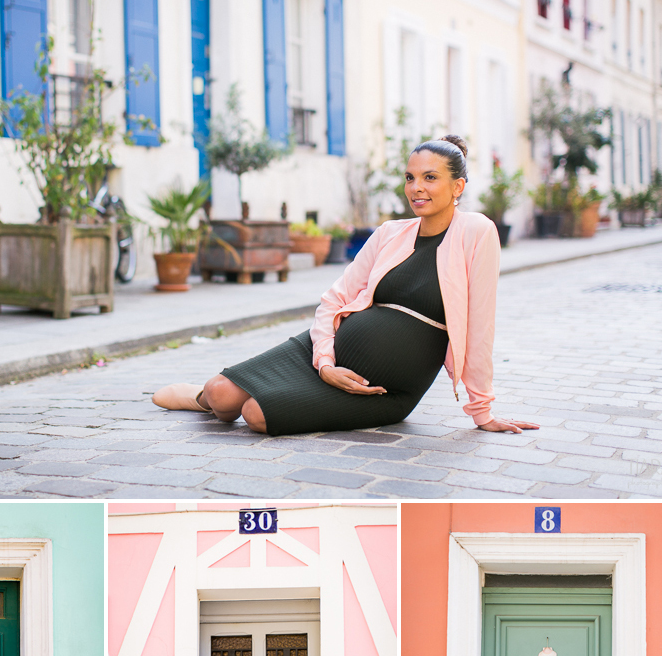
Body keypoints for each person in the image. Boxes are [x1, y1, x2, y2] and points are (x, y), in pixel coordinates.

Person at [153, 137, 537, 437]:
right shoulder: (390, 233)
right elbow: (334, 299)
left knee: (255, 415)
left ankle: (254, 397)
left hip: (385, 387)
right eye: (410, 177)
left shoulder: (477, 232)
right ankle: (201, 399)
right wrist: (324, 363)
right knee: (221, 395)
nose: (416, 188)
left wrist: (482, 411)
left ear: (458, 187)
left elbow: (480, 325)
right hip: (327, 356)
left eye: (430, 178)